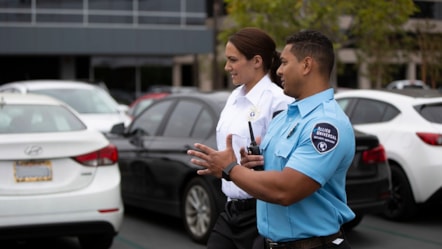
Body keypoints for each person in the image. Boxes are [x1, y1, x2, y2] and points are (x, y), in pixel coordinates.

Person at [187, 30, 355, 249]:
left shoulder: (325, 126)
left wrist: (230, 169)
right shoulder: (285, 118)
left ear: (306, 65)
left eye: (284, 63)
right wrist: (252, 166)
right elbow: (273, 173)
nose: (278, 70)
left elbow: (285, 190)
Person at [208, 27, 293, 249]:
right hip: (230, 209)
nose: (227, 67)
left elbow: (287, 164)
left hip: (262, 213)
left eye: (232, 60)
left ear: (256, 61)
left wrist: (258, 164)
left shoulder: (279, 101)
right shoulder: (235, 97)